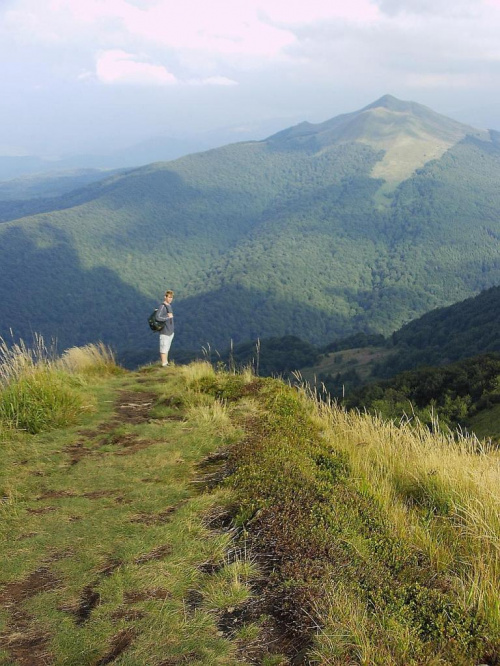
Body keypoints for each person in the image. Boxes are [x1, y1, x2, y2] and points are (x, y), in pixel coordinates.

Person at [156, 290, 174, 366]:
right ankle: (164, 364)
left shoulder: (169, 306)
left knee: (167, 348)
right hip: (165, 332)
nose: (170, 299)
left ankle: (166, 363)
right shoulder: (162, 306)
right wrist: (167, 317)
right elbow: (158, 317)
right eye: (169, 297)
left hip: (170, 332)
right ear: (165, 297)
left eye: (171, 297)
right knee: (164, 348)